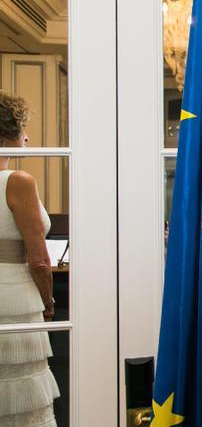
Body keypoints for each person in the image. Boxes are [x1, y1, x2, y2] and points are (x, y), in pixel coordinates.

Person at [0, 91, 60, 426]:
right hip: (13, 298)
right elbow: (38, 259)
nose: (28, 137)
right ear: (8, 132)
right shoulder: (17, 181)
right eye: (23, 128)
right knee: (21, 398)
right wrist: (48, 300)